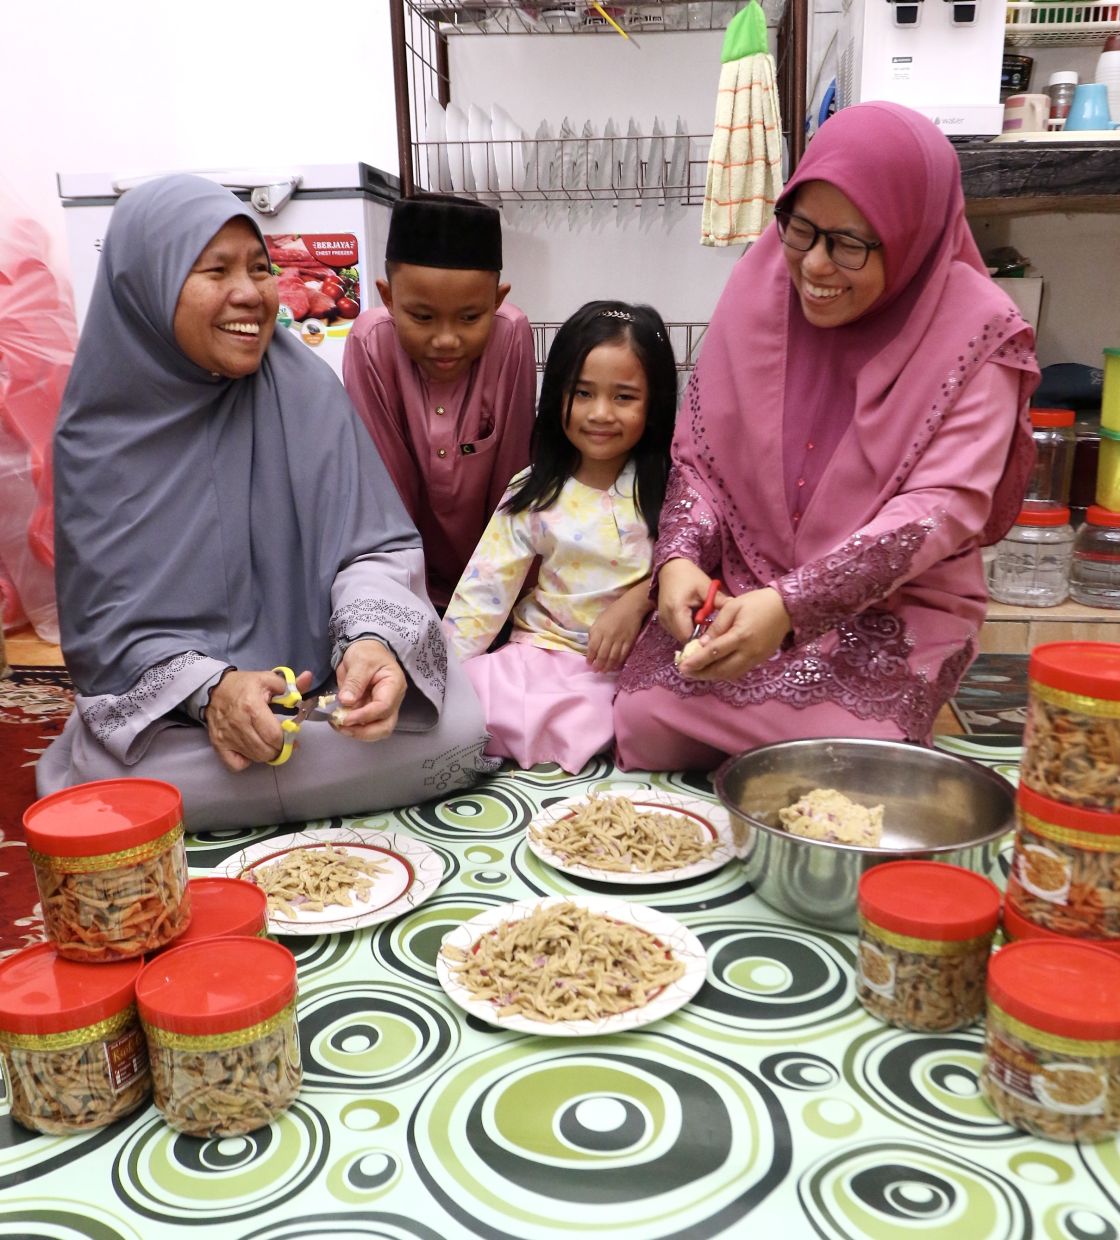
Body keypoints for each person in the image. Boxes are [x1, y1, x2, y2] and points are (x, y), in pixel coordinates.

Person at [38, 174, 497, 830]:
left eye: (260, 268)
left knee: (456, 728)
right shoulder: (96, 436)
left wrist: (372, 646)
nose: (251, 294)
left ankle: (287, 766)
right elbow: (108, 636)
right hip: (180, 727)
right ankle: (296, 768)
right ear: (146, 285)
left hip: (320, 699)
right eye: (215, 270)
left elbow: (375, 549)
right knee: (107, 779)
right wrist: (212, 691)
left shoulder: (302, 386)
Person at [613, 102, 1039, 771]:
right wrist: (680, 559)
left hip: (894, 599)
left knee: (852, 758)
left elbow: (942, 507)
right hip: (744, 589)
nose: (813, 266)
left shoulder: (978, 330)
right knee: (646, 721)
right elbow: (699, 462)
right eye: (799, 229)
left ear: (911, 237)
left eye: (849, 244)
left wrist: (793, 606)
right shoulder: (760, 284)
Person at [442, 300, 677, 773]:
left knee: (627, 714)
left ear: (654, 404)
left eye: (624, 397)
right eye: (583, 393)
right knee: (475, 697)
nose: (600, 413)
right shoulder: (534, 490)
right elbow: (483, 593)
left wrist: (639, 601)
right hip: (541, 652)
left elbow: (700, 565)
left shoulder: (673, 488)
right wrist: (440, 675)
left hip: (634, 663)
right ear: (557, 395)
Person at [342, 194, 537, 610]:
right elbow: (385, 488)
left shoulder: (511, 334)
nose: (446, 339)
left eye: (470, 318)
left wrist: (494, 596)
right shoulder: (370, 341)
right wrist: (408, 604)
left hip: (493, 580)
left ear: (496, 300)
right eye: (423, 317)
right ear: (388, 298)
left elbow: (512, 476)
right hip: (399, 574)